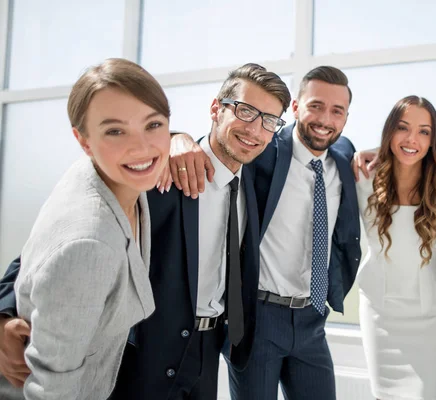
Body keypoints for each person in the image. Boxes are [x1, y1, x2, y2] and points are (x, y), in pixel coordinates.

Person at [0, 63, 291, 400]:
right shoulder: (159, 172)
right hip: (145, 355)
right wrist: (3, 313)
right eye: (245, 111)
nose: (255, 130)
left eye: (269, 121)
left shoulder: (252, 181)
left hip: (208, 351)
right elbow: (62, 241)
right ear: (216, 109)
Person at [170, 66, 361, 400]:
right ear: (297, 107)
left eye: (337, 111)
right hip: (259, 317)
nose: (325, 119)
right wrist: (176, 138)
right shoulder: (265, 150)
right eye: (315, 105)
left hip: (312, 317)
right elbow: (221, 143)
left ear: (345, 118)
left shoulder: (343, 156)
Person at [0, 58, 171, 399]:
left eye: (153, 125)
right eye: (115, 131)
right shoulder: (89, 242)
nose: (141, 147)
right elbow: (53, 390)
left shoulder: (110, 178)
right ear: (83, 141)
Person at [355, 95, 436, 400]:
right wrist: (377, 151)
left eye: (424, 131)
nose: (412, 138)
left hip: (432, 314)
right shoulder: (364, 177)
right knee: (383, 395)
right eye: (403, 128)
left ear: (433, 140)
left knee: (427, 395)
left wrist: (433, 155)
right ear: (389, 132)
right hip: (379, 312)